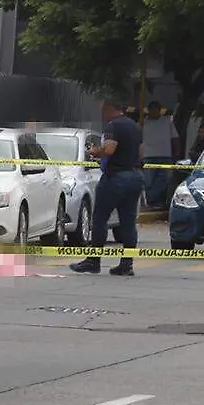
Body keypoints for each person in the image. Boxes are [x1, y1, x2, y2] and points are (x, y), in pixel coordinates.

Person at [71, 99, 144, 276]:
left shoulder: (113, 125)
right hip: (135, 176)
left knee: (100, 218)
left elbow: (110, 150)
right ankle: (127, 265)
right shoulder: (135, 127)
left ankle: (93, 261)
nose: (102, 115)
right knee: (128, 221)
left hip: (117, 177)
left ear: (110, 109)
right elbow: (141, 153)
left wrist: (95, 152)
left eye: (103, 111)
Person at [141, 101, 179, 210]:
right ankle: (152, 202)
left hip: (165, 155)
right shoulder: (144, 122)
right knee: (148, 181)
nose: (154, 112)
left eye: (156, 109)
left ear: (159, 110)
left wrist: (176, 152)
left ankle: (152, 200)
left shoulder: (167, 121)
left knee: (166, 178)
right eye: (151, 110)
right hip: (148, 156)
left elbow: (175, 138)